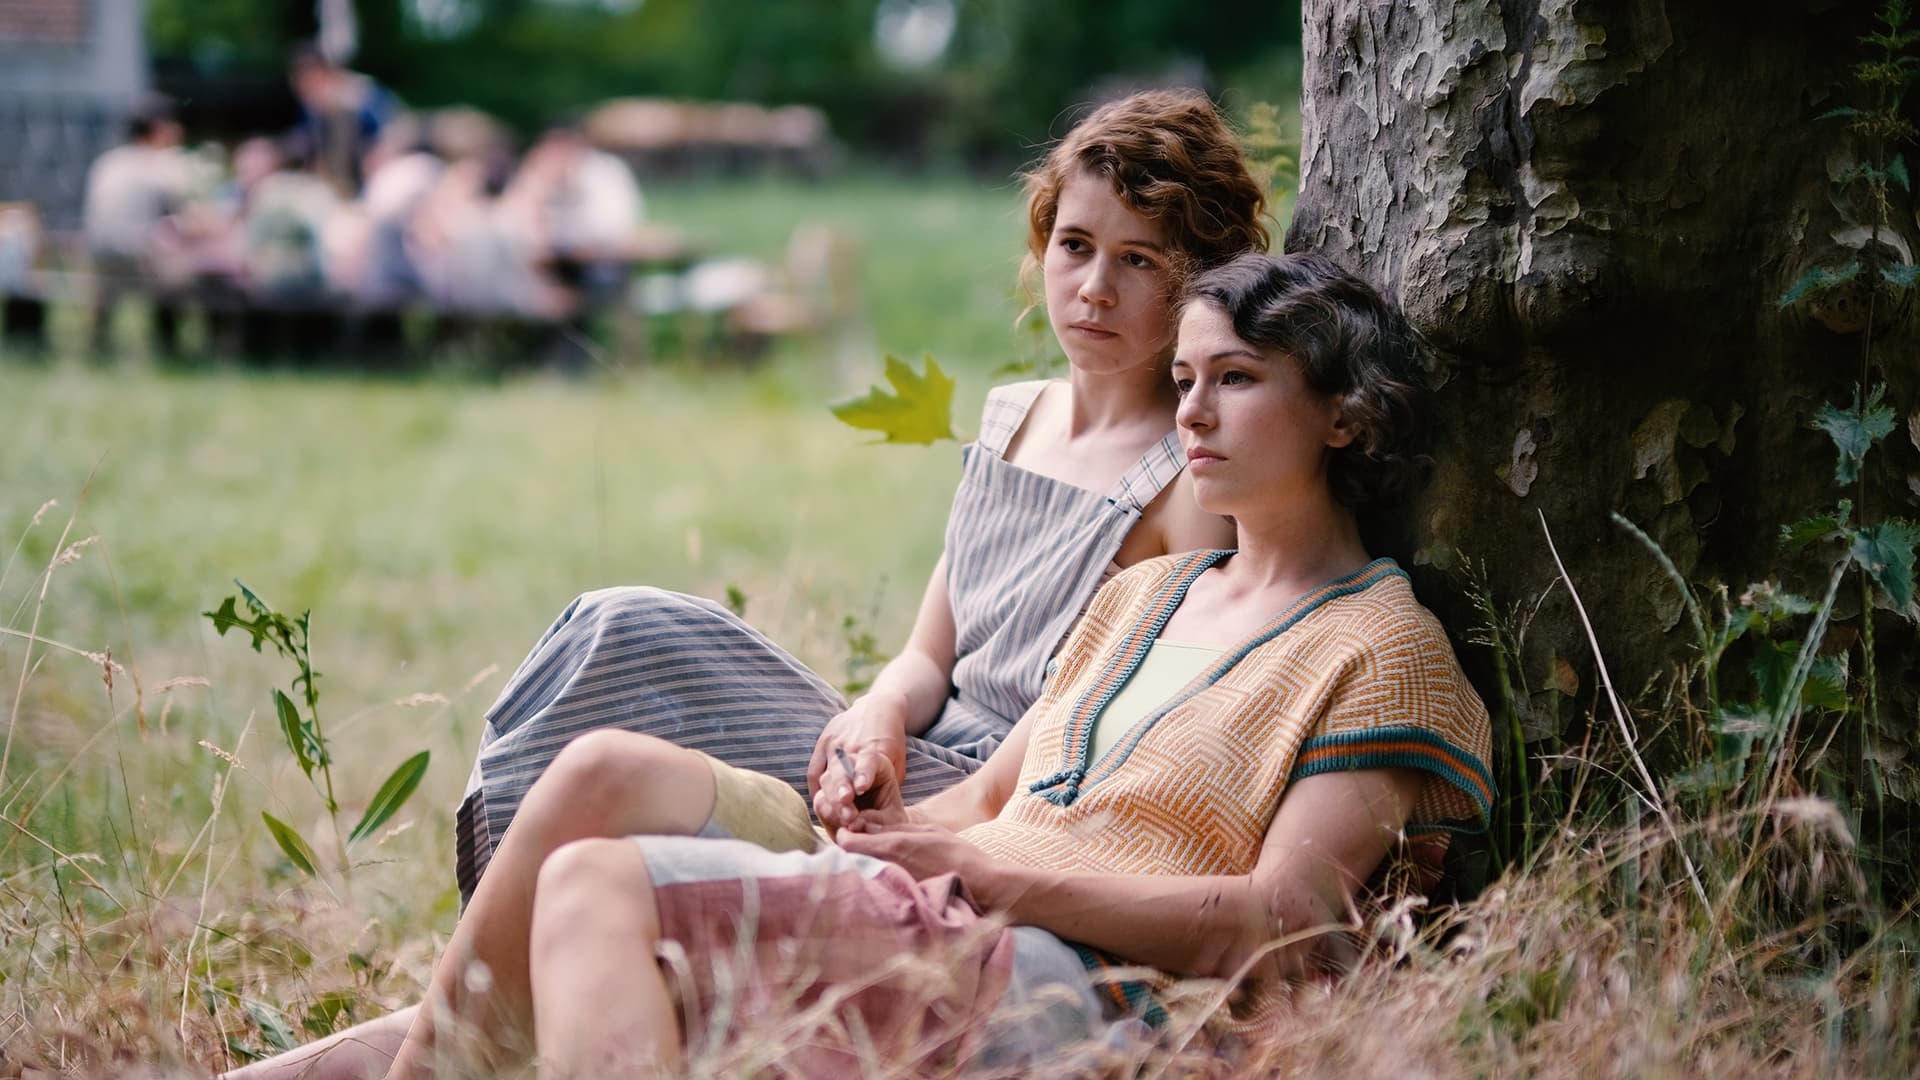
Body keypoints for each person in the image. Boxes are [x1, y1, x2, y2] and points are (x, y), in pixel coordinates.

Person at [222, 87, 1268, 1080]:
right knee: (617, 636)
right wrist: (875, 712)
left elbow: (1083, 729)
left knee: (619, 690)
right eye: (1076, 246)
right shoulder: (1015, 414)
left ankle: (496, 993)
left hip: (979, 815)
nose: (1094, 287)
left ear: (1198, 284)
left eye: (1139, 261)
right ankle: (481, 981)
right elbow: (928, 652)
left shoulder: (1183, 481)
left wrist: (919, 824)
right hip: (890, 766)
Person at [385, 250, 1495, 1076]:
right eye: (1186, 378)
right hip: (964, 916)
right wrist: (882, 823)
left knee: (596, 887)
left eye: (1237, 379)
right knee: (596, 824)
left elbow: (1278, 926)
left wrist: (981, 875)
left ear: (1345, 417)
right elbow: (987, 800)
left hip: (1103, 990)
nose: (1193, 413)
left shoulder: (1382, 647)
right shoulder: (1146, 596)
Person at [82, 95, 195, 359]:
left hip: (99, 256)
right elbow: (185, 215)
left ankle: (98, 342)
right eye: (173, 123)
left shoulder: (109, 161)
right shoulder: (164, 164)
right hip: (139, 257)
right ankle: (170, 347)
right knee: (182, 274)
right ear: (159, 128)